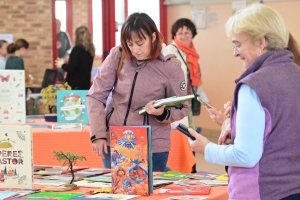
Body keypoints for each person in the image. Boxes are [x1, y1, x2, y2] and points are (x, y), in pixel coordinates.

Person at [188, 4, 300, 200]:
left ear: (261, 42)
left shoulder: (253, 85)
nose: (235, 52)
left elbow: (246, 156)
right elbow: (282, 134)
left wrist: (206, 148)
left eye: (237, 44)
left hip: (262, 191)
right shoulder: (295, 73)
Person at [86, 12, 189, 172]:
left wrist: (162, 113)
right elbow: (95, 96)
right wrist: (98, 134)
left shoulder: (170, 66)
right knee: (117, 194)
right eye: (130, 43)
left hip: (153, 146)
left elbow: (183, 107)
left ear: (153, 37)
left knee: (150, 195)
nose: (135, 50)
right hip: (114, 141)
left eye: (140, 43)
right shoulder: (118, 55)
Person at [166, 18, 209, 173]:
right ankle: (185, 168)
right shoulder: (170, 51)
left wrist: (206, 101)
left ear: (192, 34)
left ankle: (191, 168)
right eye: (180, 32)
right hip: (177, 103)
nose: (184, 35)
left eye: (187, 32)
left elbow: (194, 81)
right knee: (182, 137)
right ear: (175, 34)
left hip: (189, 103)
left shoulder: (192, 54)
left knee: (190, 137)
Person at [55, 26, 95, 90]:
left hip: (75, 86)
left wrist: (62, 65)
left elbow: (71, 68)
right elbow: (80, 66)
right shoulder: (91, 49)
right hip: (85, 85)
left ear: (77, 37)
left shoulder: (77, 49)